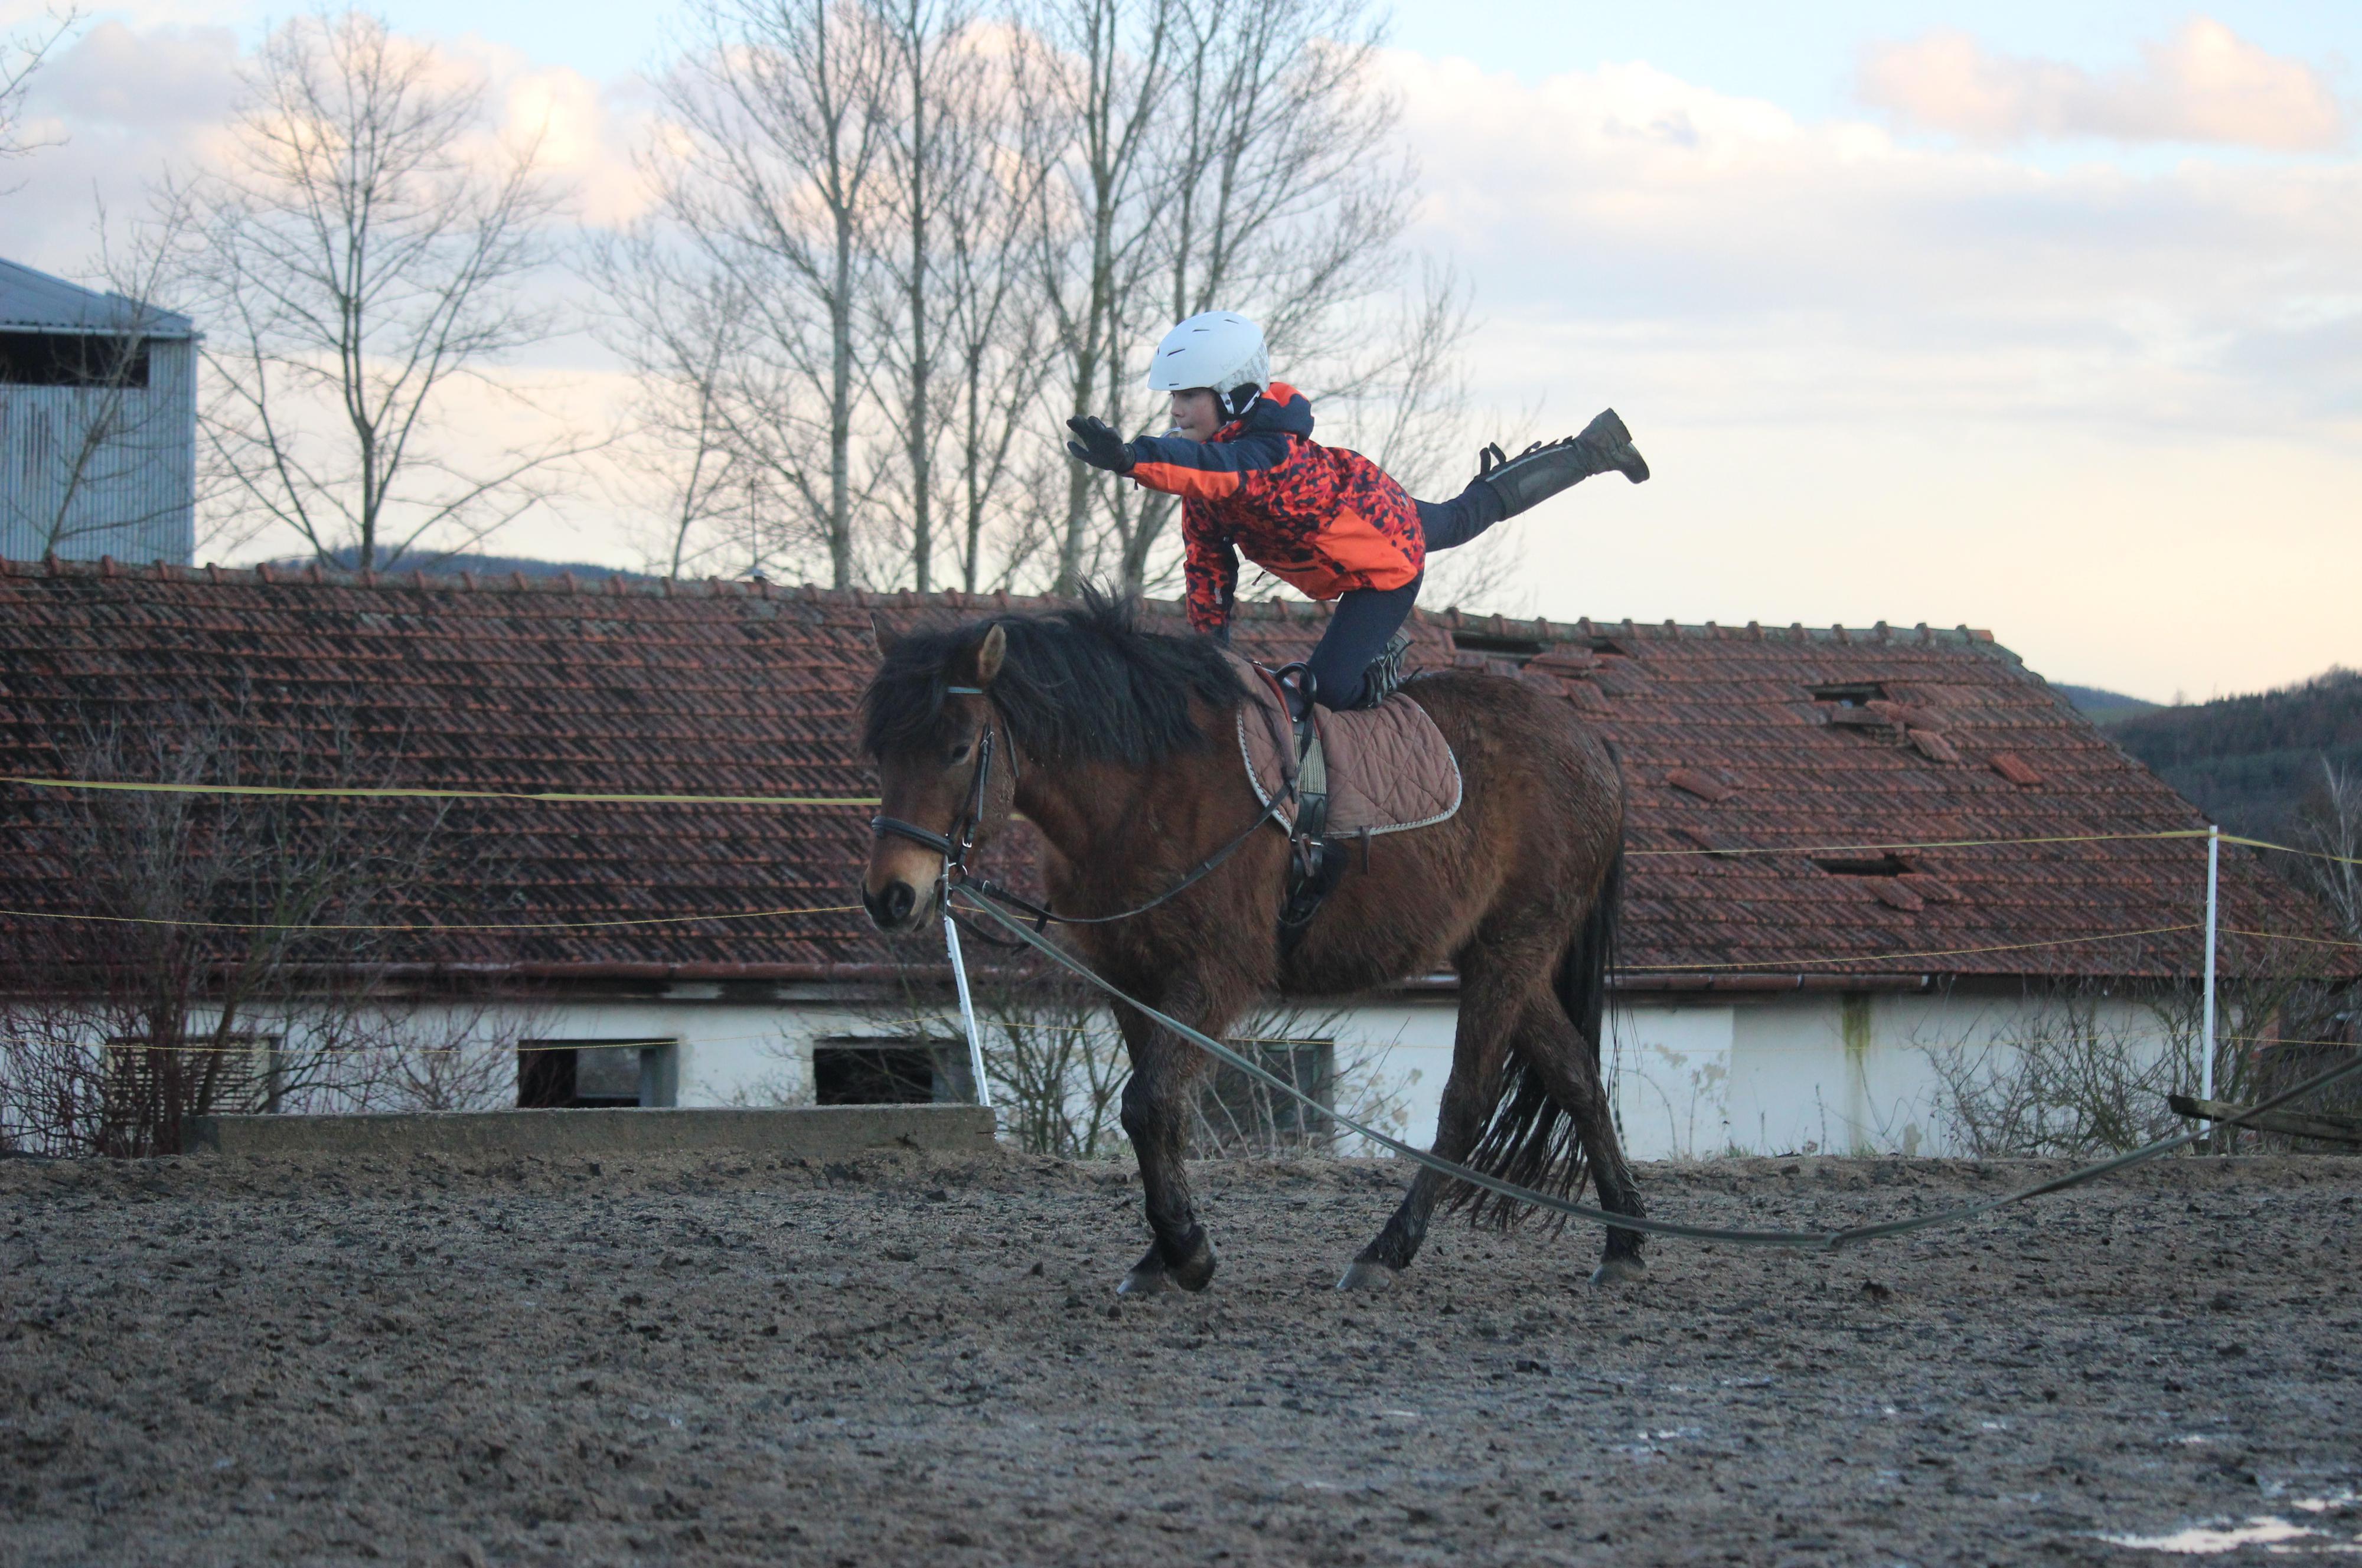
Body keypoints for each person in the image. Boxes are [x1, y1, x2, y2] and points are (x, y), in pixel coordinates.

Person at [1065, 311, 1647, 713]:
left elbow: (1215, 467)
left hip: (1384, 564)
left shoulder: (1266, 462)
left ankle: (1381, 664)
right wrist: (1210, 653)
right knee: (1462, 517)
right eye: (1174, 396)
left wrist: (1130, 458)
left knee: (1327, 692)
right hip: (1369, 505)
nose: (1175, 410)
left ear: (1234, 395)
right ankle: (1593, 449)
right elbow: (1207, 567)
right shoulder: (1210, 482)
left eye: (1189, 395)